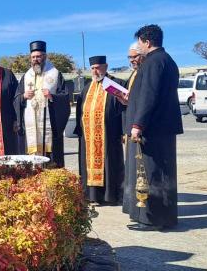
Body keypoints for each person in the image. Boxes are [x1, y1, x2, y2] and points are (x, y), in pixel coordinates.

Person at [124, 24, 183, 230]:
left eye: (140, 42)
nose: (138, 46)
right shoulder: (167, 60)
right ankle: (164, 217)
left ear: (147, 42)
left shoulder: (152, 62)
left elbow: (148, 96)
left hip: (152, 128)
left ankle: (151, 219)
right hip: (163, 128)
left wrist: (138, 124)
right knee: (163, 172)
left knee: (151, 173)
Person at [73, 56, 126, 205]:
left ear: (106, 66)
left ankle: (111, 196)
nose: (95, 71)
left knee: (110, 164)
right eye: (93, 68)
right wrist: (80, 130)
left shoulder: (116, 85)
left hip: (109, 134)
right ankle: (92, 195)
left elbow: (124, 109)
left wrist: (123, 130)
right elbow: (79, 111)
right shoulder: (86, 88)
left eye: (98, 67)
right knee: (88, 165)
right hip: (88, 136)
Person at [14, 40, 71, 168]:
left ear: (44, 56)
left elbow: (65, 97)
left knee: (50, 160)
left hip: (50, 126)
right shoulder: (26, 76)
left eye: (38, 56)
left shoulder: (55, 74)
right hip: (31, 127)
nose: (36, 60)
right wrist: (23, 96)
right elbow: (16, 98)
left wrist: (52, 97)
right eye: (33, 57)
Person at [122, 42, 145, 215]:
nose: (132, 61)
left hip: (140, 128)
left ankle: (140, 206)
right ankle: (132, 205)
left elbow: (145, 100)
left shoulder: (144, 73)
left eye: (134, 57)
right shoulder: (134, 74)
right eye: (129, 57)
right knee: (131, 168)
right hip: (131, 127)